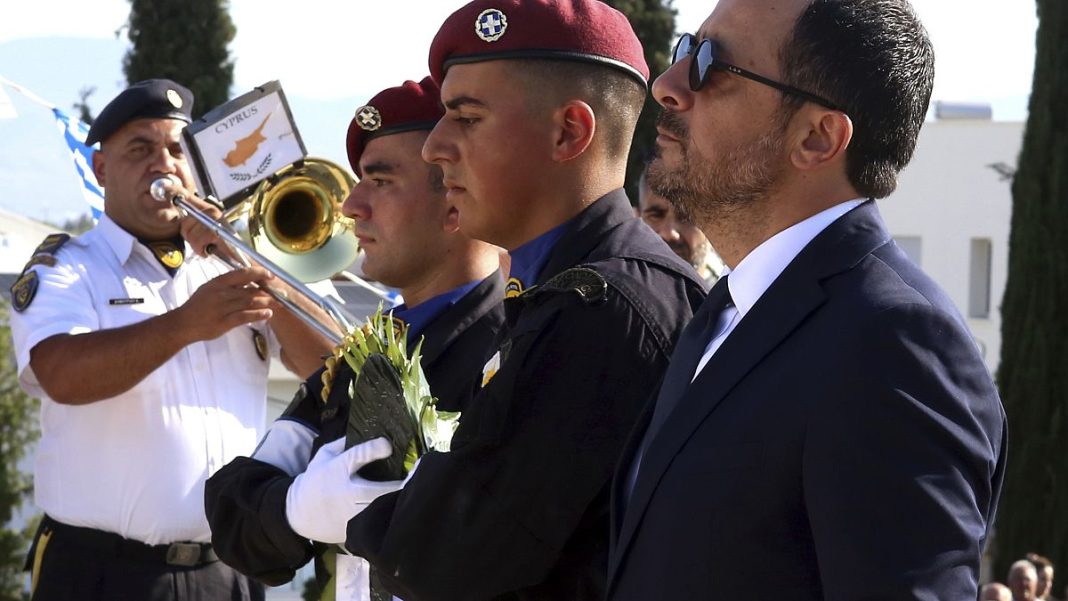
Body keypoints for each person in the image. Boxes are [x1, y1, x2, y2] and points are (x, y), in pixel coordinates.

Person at [607, 0, 1006, 600]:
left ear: (818, 138)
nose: (667, 84)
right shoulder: (729, 310)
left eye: (711, 63)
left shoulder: (893, 345)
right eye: (686, 46)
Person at [337, 2, 707, 599]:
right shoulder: (572, 291)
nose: (435, 147)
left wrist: (375, 519)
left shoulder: (602, 308)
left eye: (467, 117)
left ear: (569, 133)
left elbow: (440, 560)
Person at [9, 79, 335, 601]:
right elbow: (60, 375)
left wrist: (253, 265)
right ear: (101, 169)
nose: (164, 164)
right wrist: (185, 324)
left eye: (177, 150)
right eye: (140, 149)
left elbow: (331, 365)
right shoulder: (69, 269)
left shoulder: (231, 265)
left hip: (228, 565)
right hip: (101, 571)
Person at [203, 77, 505, 599]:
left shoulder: (518, 345)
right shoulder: (361, 355)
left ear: (455, 200)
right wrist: (294, 509)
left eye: (381, 182)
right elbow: (235, 515)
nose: (351, 207)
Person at [637, 162, 724, 284]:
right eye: (656, 215)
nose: (669, 233)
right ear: (636, 217)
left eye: (686, 216)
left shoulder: (740, 298)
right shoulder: (612, 294)